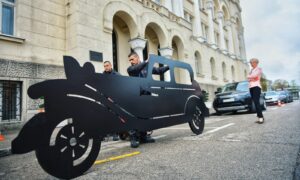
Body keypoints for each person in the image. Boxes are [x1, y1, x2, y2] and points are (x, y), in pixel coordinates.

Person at [127, 51, 169, 148]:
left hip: (146, 95)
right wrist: (147, 61)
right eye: (130, 60)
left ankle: (144, 136)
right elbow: (137, 69)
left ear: (137, 58)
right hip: (136, 96)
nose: (131, 62)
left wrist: (169, 66)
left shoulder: (146, 67)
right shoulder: (130, 69)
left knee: (146, 116)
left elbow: (159, 70)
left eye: (132, 59)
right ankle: (134, 138)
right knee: (135, 117)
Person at [102, 61, 120, 141]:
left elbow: (120, 87)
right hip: (104, 99)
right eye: (105, 66)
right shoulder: (102, 76)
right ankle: (105, 133)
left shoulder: (116, 75)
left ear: (111, 65)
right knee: (105, 116)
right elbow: (100, 87)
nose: (106, 67)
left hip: (114, 100)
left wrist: (113, 97)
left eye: (107, 65)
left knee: (115, 116)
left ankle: (115, 134)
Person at [247, 58, 264, 124]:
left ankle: (261, 118)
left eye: (252, 62)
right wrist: (251, 77)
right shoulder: (251, 70)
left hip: (256, 87)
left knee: (257, 102)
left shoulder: (259, 69)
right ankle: (260, 117)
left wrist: (250, 77)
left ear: (256, 63)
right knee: (255, 102)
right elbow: (248, 78)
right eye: (250, 63)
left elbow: (254, 76)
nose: (251, 64)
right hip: (251, 87)